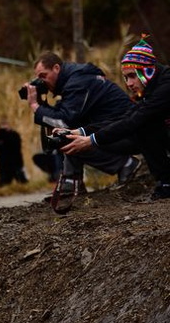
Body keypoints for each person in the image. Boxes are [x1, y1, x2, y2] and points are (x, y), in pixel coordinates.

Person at [62, 36, 170, 200]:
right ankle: (165, 181)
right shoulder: (151, 88)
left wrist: (92, 140)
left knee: (144, 125)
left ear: (148, 70)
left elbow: (135, 120)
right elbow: (126, 117)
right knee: (142, 127)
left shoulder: (165, 87)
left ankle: (167, 181)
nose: (129, 83)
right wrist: (80, 131)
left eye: (132, 76)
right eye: (126, 78)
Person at [23, 51, 141, 193]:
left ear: (56, 68)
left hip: (128, 134)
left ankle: (125, 165)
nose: (42, 81)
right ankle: (72, 182)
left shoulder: (78, 82)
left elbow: (63, 120)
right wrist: (41, 103)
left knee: (67, 137)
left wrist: (35, 106)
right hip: (113, 130)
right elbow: (62, 117)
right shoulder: (75, 79)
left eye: (44, 76)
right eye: (38, 78)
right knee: (65, 134)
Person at [0, 119, 28, 187]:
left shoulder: (14, 135)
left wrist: (3, 137)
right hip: (3, 164)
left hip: (15, 162)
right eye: (2, 126)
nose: (3, 127)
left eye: (5, 125)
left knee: (22, 182)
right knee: (4, 183)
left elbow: (15, 146)